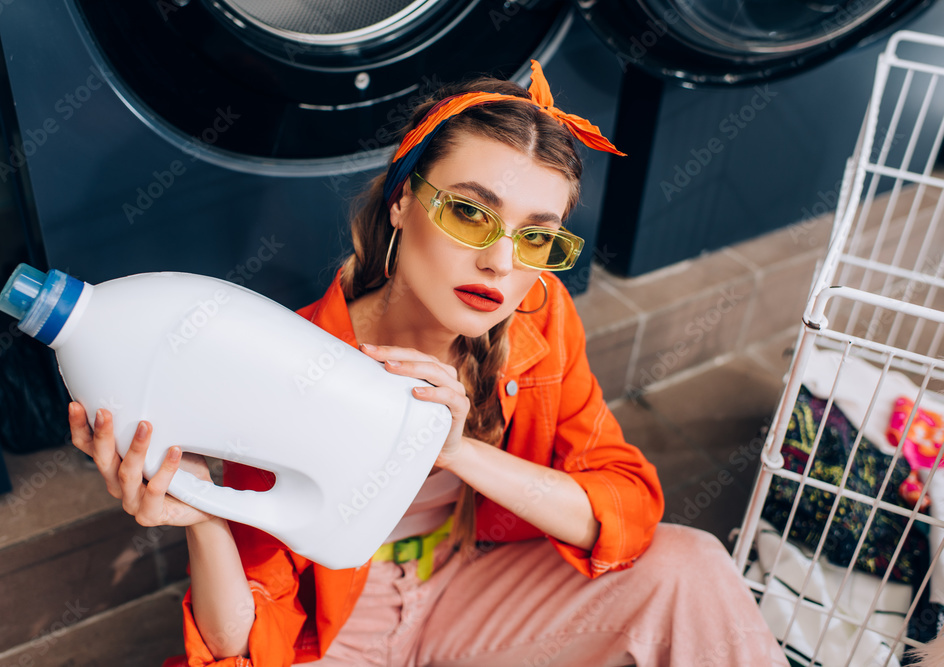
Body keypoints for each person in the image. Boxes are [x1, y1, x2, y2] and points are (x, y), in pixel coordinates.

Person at [68, 61, 790, 667]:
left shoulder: (536, 318)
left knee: (688, 565)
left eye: (536, 238)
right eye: (471, 213)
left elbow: (628, 505)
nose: (500, 263)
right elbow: (246, 642)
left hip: (468, 585)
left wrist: (457, 449)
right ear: (403, 201)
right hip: (343, 626)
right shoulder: (296, 361)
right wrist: (207, 520)